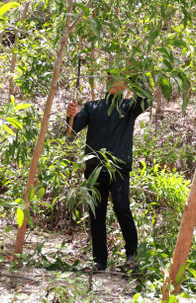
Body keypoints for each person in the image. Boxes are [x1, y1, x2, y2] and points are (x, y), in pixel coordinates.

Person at [66, 72, 152, 272]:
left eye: (119, 78)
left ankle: (132, 255)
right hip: (94, 168)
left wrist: (136, 75)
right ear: (105, 82)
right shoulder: (92, 107)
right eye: (110, 77)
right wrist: (71, 115)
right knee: (97, 214)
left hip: (119, 168)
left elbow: (146, 98)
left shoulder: (128, 107)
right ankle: (100, 262)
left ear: (125, 84)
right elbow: (72, 132)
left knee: (122, 208)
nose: (113, 82)